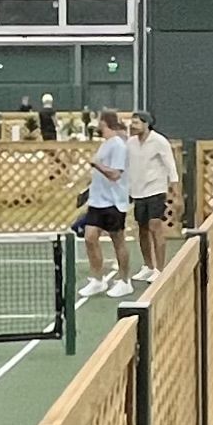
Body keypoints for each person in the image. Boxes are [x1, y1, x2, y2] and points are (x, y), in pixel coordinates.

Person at [74, 115, 135, 300]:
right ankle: (97, 280)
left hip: (114, 202)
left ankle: (125, 282)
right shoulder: (105, 144)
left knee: (118, 240)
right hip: (97, 202)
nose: (96, 125)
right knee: (90, 238)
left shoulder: (118, 146)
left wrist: (97, 165)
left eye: (99, 122)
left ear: (105, 124)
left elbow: (115, 174)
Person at [127, 109, 179, 269]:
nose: (132, 126)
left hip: (156, 190)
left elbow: (171, 167)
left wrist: (176, 193)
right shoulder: (130, 143)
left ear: (146, 124)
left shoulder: (159, 141)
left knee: (155, 225)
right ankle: (148, 266)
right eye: (132, 122)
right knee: (142, 229)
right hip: (138, 192)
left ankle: (160, 268)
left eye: (136, 123)